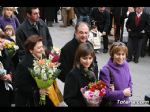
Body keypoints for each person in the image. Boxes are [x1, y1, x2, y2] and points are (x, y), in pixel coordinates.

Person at [14, 35, 54, 107]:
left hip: (44, 97)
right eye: (39, 48)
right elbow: (20, 85)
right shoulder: (23, 65)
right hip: (30, 101)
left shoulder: (43, 57)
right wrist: (37, 91)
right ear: (31, 50)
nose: (42, 49)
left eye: (42, 46)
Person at [99, 42, 133, 107]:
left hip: (126, 103)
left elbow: (130, 81)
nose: (121, 57)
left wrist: (130, 91)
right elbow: (105, 93)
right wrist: (123, 93)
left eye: (123, 54)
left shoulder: (125, 64)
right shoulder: (105, 70)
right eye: (118, 54)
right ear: (112, 54)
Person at [64, 42, 97, 107]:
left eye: (90, 58)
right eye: (84, 58)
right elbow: (68, 99)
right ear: (78, 58)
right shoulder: (73, 75)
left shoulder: (93, 69)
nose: (88, 61)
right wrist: (87, 104)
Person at [0, 32, 14, 106]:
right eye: (0, 42)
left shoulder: (5, 52)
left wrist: (10, 75)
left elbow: (11, 66)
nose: (2, 44)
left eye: (3, 41)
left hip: (6, 87)